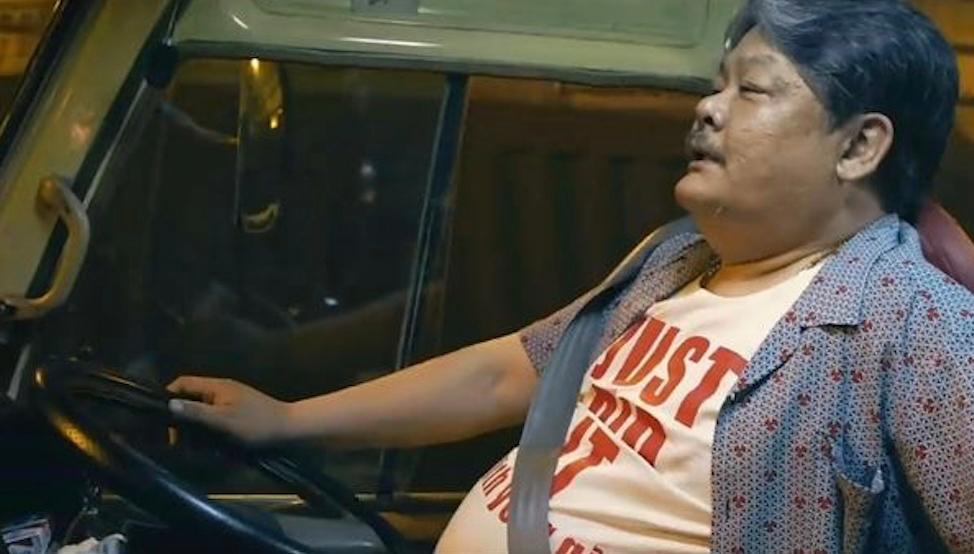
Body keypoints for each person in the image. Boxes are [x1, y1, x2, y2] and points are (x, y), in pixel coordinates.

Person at [167, 0, 974, 551]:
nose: (708, 108)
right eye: (716, 84)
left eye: (753, 90)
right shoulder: (673, 260)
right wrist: (285, 420)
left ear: (858, 146)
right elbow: (506, 373)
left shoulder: (913, 324)